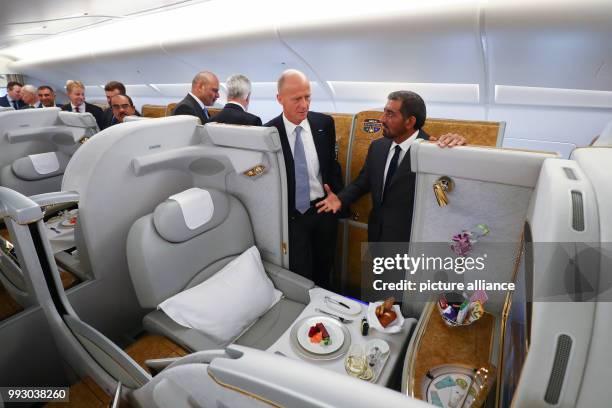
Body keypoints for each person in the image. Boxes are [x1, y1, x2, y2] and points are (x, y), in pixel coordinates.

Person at [316, 90, 466, 242]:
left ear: (410, 122)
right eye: (384, 112)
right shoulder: (378, 147)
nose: (381, 119)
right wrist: (340, 199)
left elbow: (442, 201)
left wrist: (458, 150)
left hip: (410, 243)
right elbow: (363, 182)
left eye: (390, 114)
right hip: (376, 236)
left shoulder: (433, 153)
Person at [265, 69, 343, 289]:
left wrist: (337, 195)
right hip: (292, 218)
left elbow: (332, 164)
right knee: (301, 275)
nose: (304, 104)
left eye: (307, 97)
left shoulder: (324, 124)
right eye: (296, 99)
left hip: (323, 210)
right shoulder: (268, 132)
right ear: (279, 99)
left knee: (324, 270)